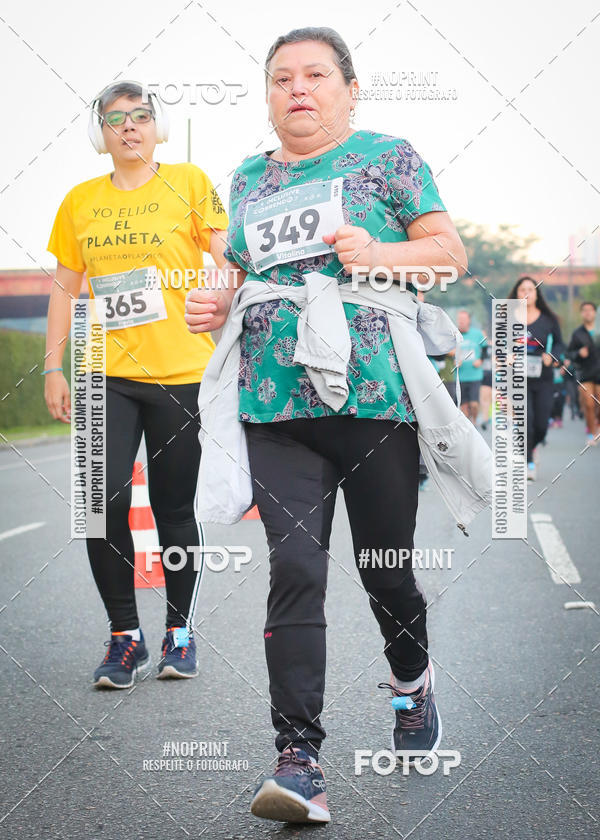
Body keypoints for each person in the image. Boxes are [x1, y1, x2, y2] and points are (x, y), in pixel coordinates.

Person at [185, 27, 469, 825]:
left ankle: (412, 685)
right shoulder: (245, 178)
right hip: (274, 407)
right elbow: (241, 278)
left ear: (349, 88)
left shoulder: (390, 157)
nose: (297, 88)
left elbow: (449, 254)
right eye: (282, 78)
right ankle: (299, 759)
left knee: (384, 572)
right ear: (268, 94)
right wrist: (215, 306)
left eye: (315, 75)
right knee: (297, 569)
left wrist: (378, 250)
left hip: (374, 401)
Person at [44, 80, 228, 688]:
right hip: (106, 375)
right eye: (115, 118)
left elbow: (226, 253)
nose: (129, 127)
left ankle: (179, 632)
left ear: (157, 127)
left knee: (173, 508)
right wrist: (53, 365)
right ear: (101, 132)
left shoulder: (191, 183)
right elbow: (67, 287)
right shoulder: (80, 200)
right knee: (101, 504)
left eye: (141, 116)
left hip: (181, 373)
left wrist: (223, 294)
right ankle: (125, 636)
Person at [508, 276, 564, 480]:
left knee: (541, 425)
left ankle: (532, 446)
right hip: (518, 380)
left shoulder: (548, 319)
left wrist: (552, 356)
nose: (526, 293)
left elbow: (559, 344)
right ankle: (528, 461)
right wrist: (507, 354)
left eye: (530, 289)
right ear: (516, 294)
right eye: (522, 289)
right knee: (526, 421)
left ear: (537, 294)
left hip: (543, 378)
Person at [567, 301, 600, 444]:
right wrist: (579, 353)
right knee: (588, 403)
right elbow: (569, 353)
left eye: (590, 310)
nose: (588, 312)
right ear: (581, 313)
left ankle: (596, 425)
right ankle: (591, 433)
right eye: (585, 310)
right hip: (585, 373)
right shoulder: (577, 333)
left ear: (595, 313)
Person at [455, 310, 485, 424]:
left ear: (469, 320)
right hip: (461, 376)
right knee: (464, 408)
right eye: (459, 320)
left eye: (464, 319)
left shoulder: (477, 334)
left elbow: (486, 348)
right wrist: (455, 360)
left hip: (475, 375)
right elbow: (449, 351)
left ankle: (475, 421)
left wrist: (480, 360)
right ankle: (469, 427)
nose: (461, 322)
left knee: (474, 405)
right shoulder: (455, 334)